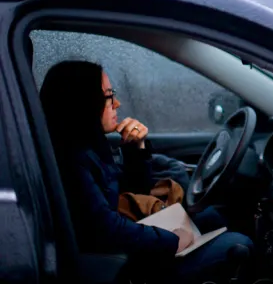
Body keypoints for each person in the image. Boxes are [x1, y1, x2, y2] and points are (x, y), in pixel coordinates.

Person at [39, 60, 253, 284]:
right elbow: (105, 229)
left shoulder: (89, 145)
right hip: (118, 265)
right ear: (84, 103)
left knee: (210, 217)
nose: (118, 103)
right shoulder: (72, 160)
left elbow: (131, 191)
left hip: (124, 249)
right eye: (109, 96)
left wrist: (136, 148)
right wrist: (171, 241)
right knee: (238, 244)